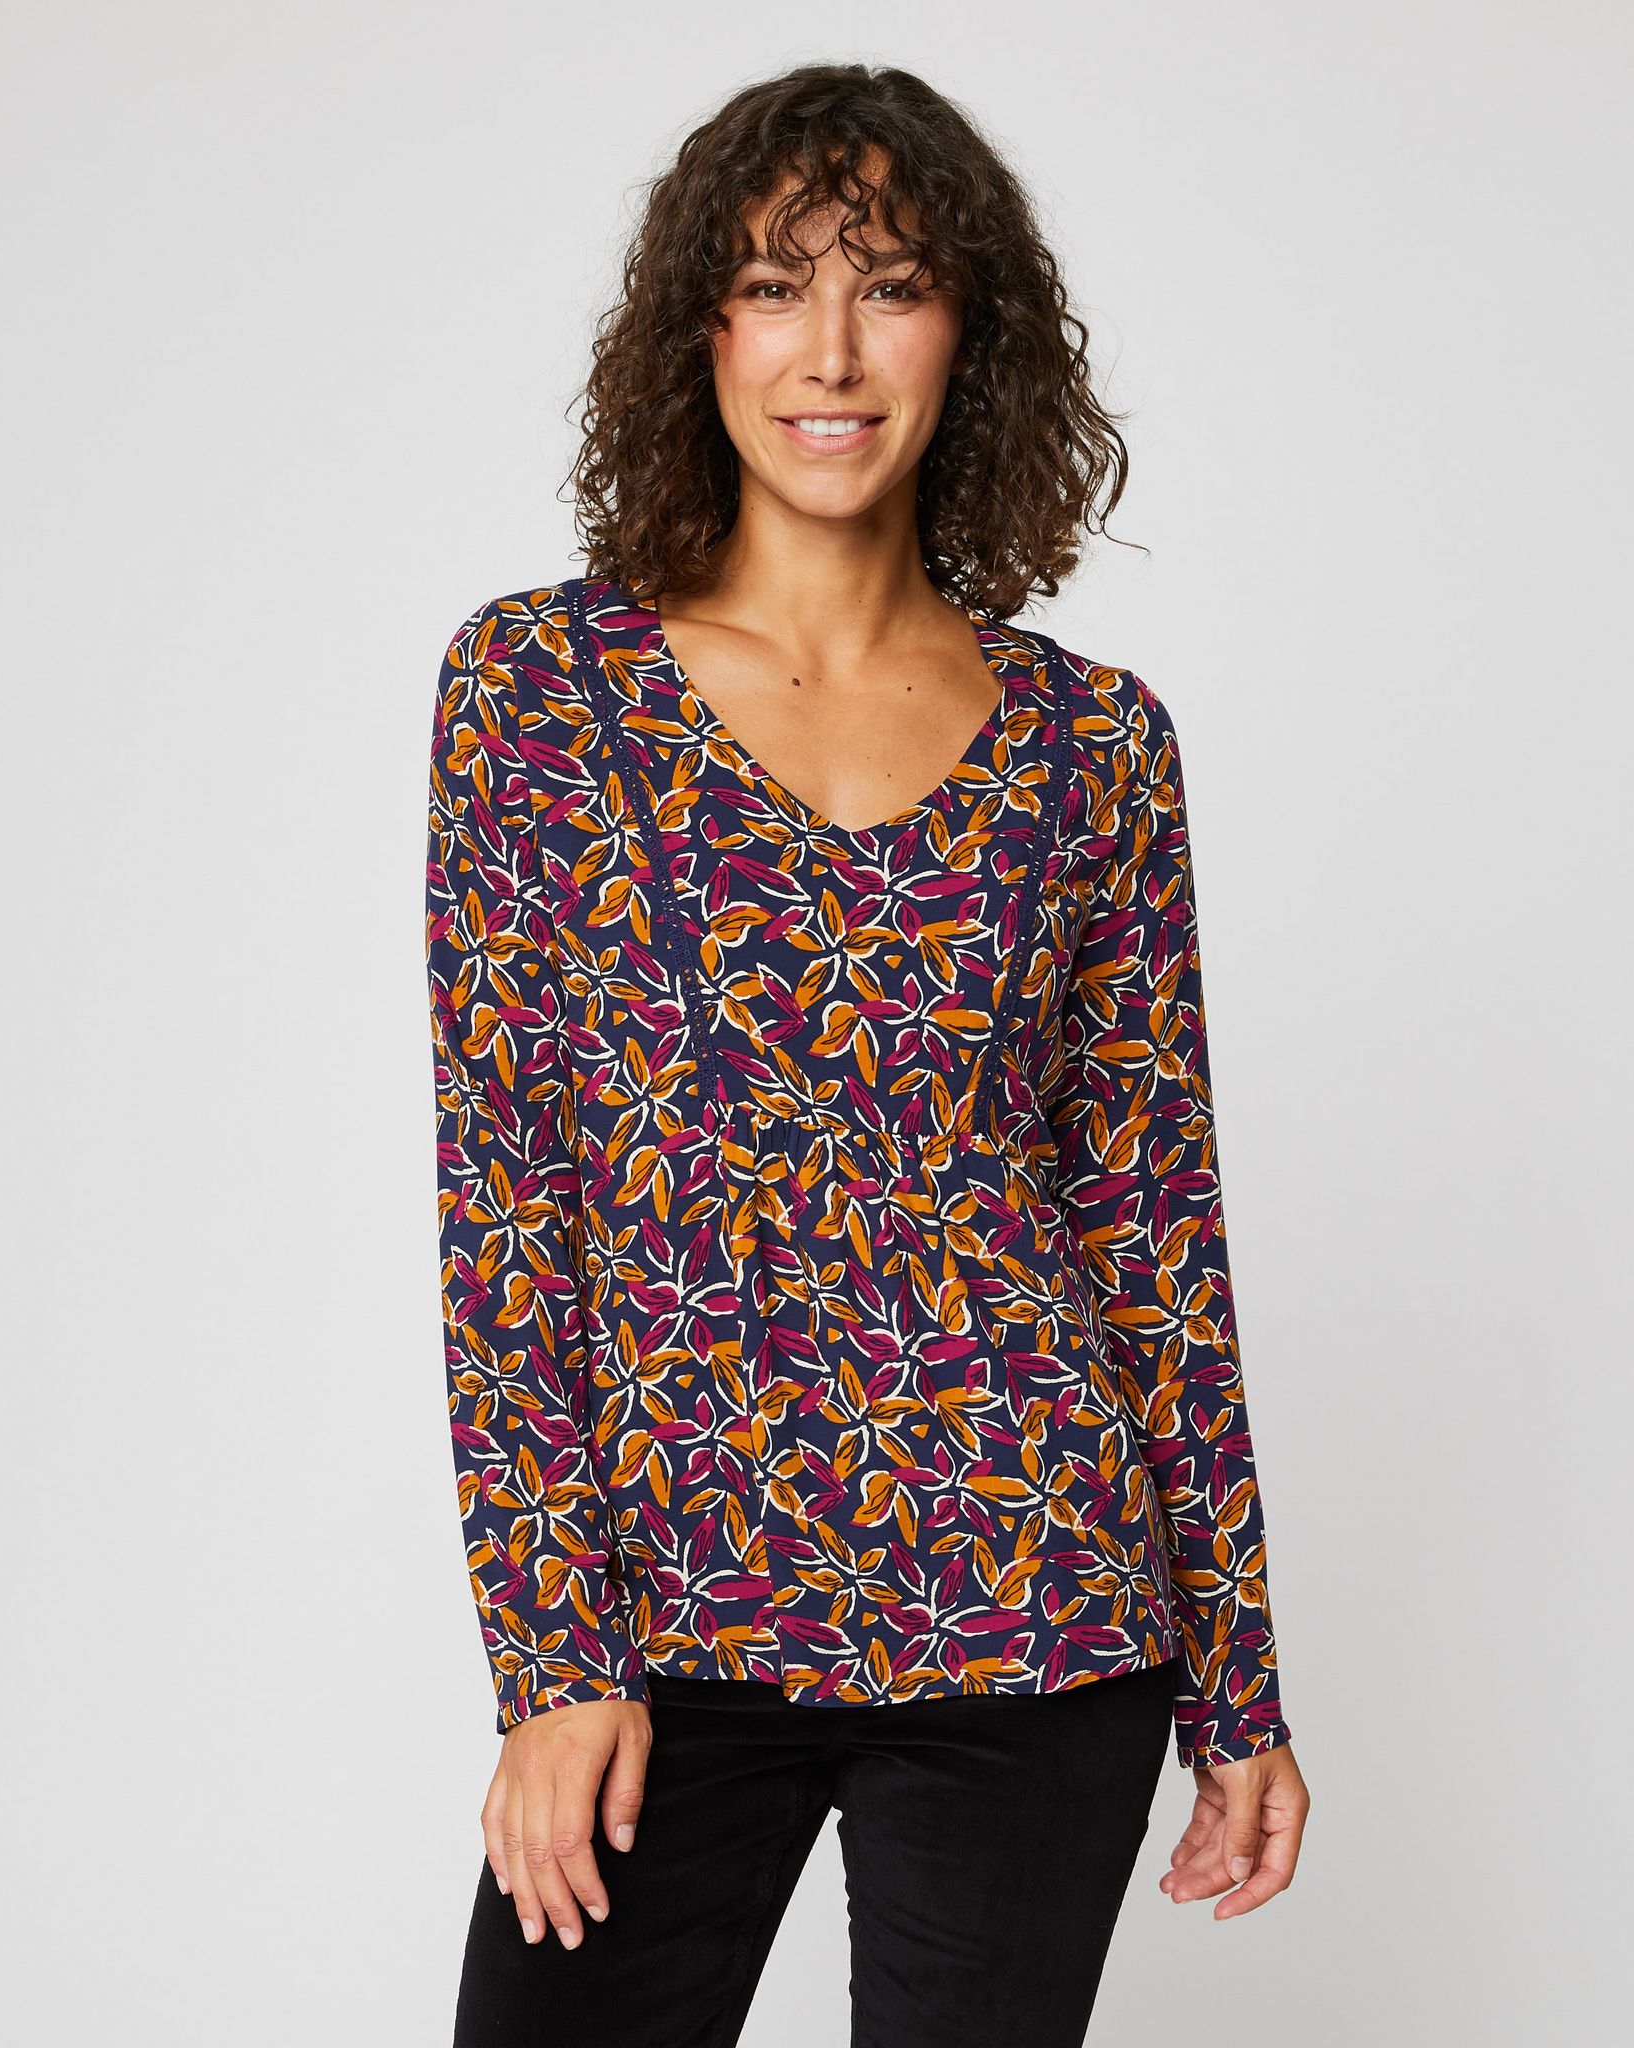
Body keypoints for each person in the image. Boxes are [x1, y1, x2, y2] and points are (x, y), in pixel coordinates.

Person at [427, 60, 1310, 2048]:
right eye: (772, 286)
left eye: (891, 285)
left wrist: (1238, 1681)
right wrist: (552, 1658)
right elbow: (508, 1198)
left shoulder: (1095, 744)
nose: (830, 349)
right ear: (701, 333)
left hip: (1036, 1596)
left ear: (967, 333)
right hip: (667, 1622)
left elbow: (1152, 1226)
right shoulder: (539, 693)